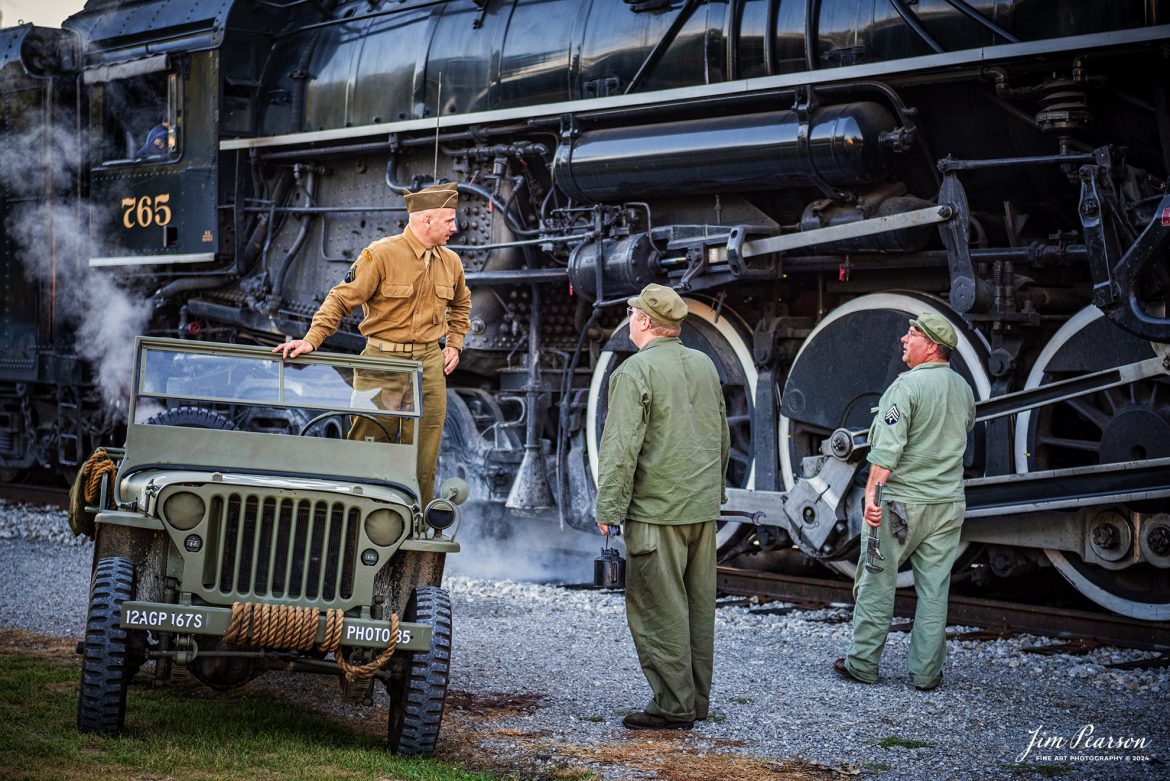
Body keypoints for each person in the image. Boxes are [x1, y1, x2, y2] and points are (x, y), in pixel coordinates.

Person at [272, 181, 471, 507]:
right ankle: (358, 519)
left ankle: (413, 527)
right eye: (449, 220)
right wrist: (312, 340)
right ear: (427, 220)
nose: (455, 227)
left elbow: (461, 306)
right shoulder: (380, 254)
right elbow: (339, 299)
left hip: (429, 368)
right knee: (368, 447)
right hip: (383, 365)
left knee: (424, 457)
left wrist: (454, 344)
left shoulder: (451, 262)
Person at [594, 283, 730, 730]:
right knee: (697, 608)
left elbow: (620, 450)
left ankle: (673, 707)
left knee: (658, 610)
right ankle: (696, 701)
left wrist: (608, 508)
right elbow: (721, 437)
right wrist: (715, 494)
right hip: (701, 509)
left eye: (633, 313)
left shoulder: (634, 372)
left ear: (646, 321)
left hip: (656, 513)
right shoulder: (704, 364)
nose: (630, 319)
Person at [835, 312, 976, 691]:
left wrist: (870, 498)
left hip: (899, 506)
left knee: (877, 583)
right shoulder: (963, 388)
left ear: (931, 346)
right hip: (947, 505)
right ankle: (927, 674)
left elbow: (885, 453)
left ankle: (862, 664)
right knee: (934, 591)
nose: (903, 339)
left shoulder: (906, 388)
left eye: (912, 333)